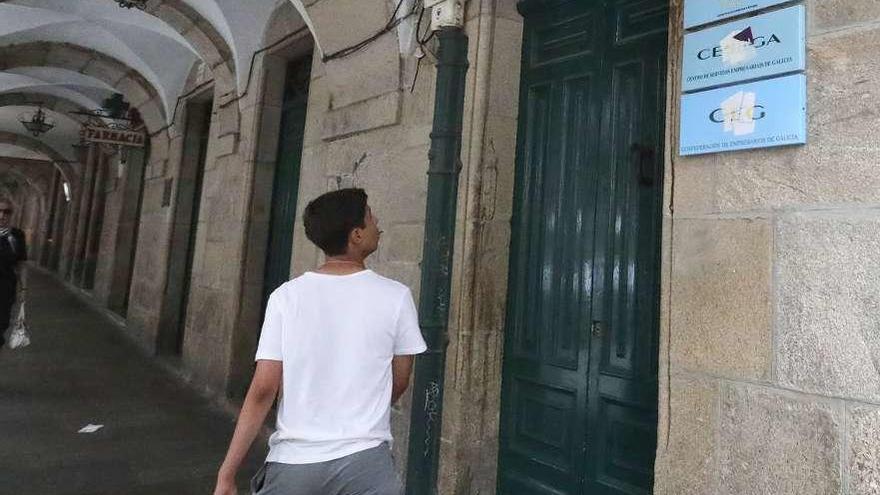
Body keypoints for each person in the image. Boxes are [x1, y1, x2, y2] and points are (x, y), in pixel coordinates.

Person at [214, 188, 427, 495]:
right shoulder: (396, 296)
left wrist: (227, 473)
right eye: (370, 216)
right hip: (366, 465)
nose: (377, 221)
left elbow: (263, 389)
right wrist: (364, 407)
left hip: (294, 465)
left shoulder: (285, 298)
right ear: (355, 235)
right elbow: (401, 379)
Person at [0, 200, 26, 351]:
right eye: (0, 211)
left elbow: (21, 264)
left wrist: (24, 289)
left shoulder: (16, 235)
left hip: (5, 289)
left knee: (2, 324)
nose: (2, 215)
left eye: (6, 212)